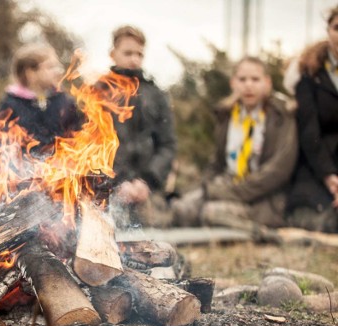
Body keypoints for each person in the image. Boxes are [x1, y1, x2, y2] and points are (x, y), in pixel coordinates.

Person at [171, 57, 298, 235]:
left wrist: (228, 192)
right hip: (228, 184)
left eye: (255, 79)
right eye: (242, 79)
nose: (248, 85)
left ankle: (263, 233)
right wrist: (206, 187)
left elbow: (280, 169)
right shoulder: (228, 114)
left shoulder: (282, 114)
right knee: (182, 209)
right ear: (233, 83)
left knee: (211, 212)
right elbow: (217, 163)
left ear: (267, 83)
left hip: (263, 197)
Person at [104, 25, 177, 228]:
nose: (134, 59)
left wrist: (146, 182)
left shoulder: (157, 95)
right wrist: (120, 182)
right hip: (108, 189)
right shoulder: (97, 94)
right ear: (113, 54)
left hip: (148, 190)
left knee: (155, 238)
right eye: (128, 53)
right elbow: (91, 147)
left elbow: (167, 144)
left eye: (139, 54)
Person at [285, 6, 338, 232]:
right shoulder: (309, 73)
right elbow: (309, 131)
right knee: (312, 213)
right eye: (337, 27)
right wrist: (330, 177)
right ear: (328, 30)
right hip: (318, 166)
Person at [0, 43, 82, 160]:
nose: (57, 72)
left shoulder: (64, 102)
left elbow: (76, 136)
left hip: (60, 170)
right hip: (24, 171)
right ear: (30, 73)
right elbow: (2, 142)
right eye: (50, 67)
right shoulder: (11, 104)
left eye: (57, 66)